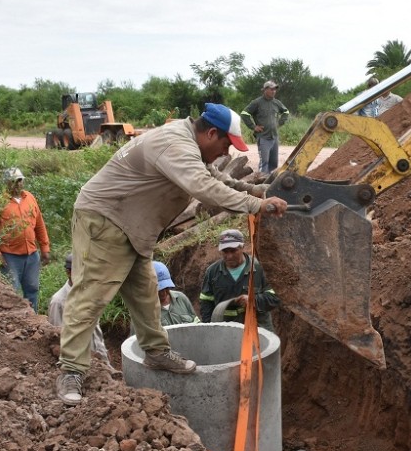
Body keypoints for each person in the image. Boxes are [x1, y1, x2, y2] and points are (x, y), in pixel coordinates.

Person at [56, 103, 288, 406]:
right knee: (90, 296)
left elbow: (214, 175)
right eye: (225, 145)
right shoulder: (174, 144)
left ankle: (156, 353)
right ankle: (71, 370)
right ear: (211, 133)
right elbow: (203, 187)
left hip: (133, 226)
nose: (225, 153)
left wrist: (255, 190)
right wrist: (255, 205)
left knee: (145, 293)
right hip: (106, 220)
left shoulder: (188, 141)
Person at [0, 167, 51, 312]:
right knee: (11, 292)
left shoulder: (30, 198)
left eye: (20, 180)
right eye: (14, 181)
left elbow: (39, 224)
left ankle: (33, 320)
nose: (18, 184)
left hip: (32, 255)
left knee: (32, 289)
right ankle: (13, 322)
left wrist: (45, 248)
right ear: (7, 183)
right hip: (9, 257)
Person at [199, 228, 280, 332]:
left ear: (242, 247)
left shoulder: (260, 268)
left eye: (233, 251)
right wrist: (209, 328)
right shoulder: (212, 272)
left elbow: (275, 297)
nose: (229, 256)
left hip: (257, 331)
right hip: (226, 332)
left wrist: (253, 300)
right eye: (225, 251)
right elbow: (206, 301)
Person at [47, 254, 110, 365]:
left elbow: (96, 329)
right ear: (68, 272)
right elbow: (57, 338)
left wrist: (102, 353)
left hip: (99, 357)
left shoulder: (90, 293)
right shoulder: (58, 302)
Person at [240, 80, 290, 175]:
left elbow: (286, 112)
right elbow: (244, 113)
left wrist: (279, 123)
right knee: (264, 162)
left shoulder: (277, 103)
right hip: (263, 137)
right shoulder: (257, 102)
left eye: (275, 89)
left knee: (274, 163)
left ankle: (267, 178)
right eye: (271, 89)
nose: (274, 91)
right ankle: (261, 181)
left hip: (274, 137)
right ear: (265, 90)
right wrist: (253, 126)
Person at [154, 261, 199, 326]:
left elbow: (197, 324)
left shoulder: (181, 298)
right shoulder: (148, 311)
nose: (163, 293)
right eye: (159, 290)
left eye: (166, 288)